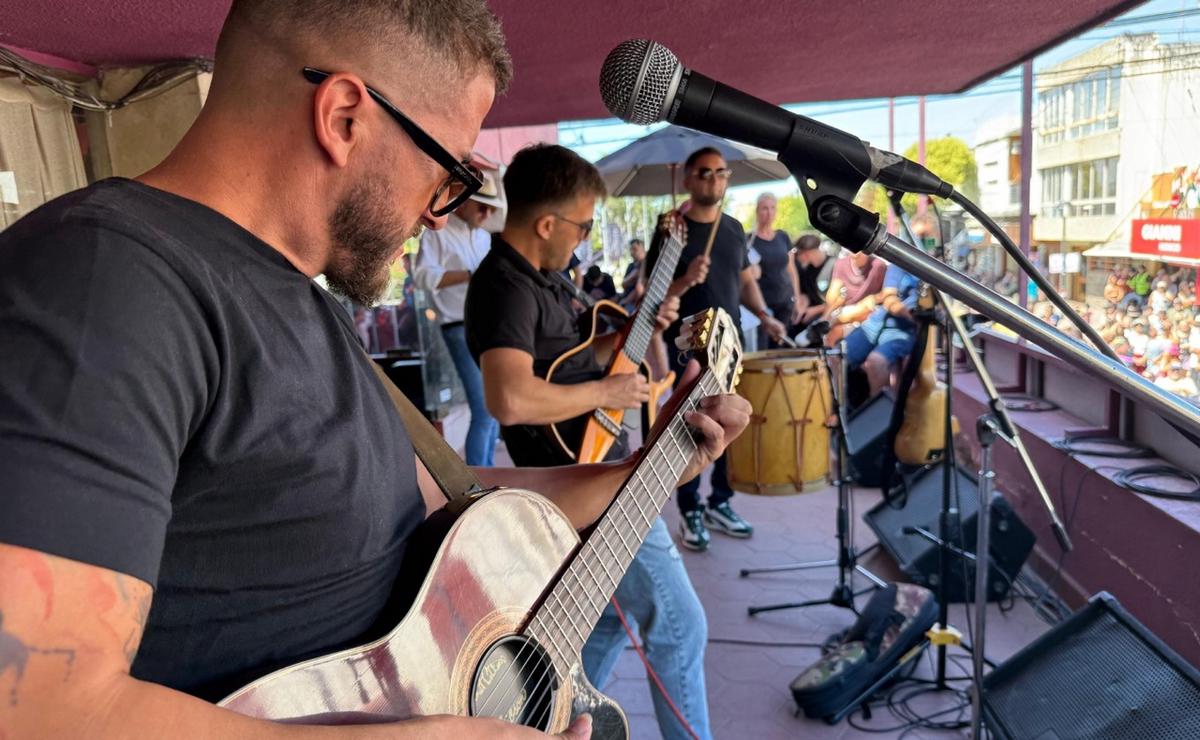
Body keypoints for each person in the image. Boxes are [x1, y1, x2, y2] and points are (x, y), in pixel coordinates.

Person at [0, 4, 754, 739]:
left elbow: (448, 498)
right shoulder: (105, 280)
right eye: (447, 169)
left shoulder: (307, 301)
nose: (440, 211)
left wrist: (655, 467)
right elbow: (35, 708)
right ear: (344, 119)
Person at [465, 144, 710, 740]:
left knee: (596, 624)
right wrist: (606, 394)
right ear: (546, 224)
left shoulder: (547, 282)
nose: (583, 238)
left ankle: (549, 723)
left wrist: (635, 332)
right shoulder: (505, 288)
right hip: (584, 482)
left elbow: (574, 362)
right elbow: (510, 397)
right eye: (581, 225)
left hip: (594, 475)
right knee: (680, 627)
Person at [646, 146, 786, 552]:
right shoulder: (672, 230)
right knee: (689, 429)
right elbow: (654, 295)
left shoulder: (732, 228)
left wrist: (765, 313)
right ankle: (689, 508)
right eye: (704, 173)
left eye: (720, 173)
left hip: (730, 344)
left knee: (728, 424)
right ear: (688, 178)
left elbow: (744, 279)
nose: (714, 180)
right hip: (686, 344)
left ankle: (719, 502)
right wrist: (687, 279)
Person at [414, 169, 503, 465]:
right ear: (463, 202)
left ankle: (485, 475)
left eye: (491, 207)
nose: (487, 212)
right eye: (482, 205)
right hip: (457, 325)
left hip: (484, 325)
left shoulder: (483, 237)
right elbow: (423, 276)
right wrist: (470, 276)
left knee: (493, 408)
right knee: (484, 408)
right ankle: (481, 479)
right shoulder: (438, 232)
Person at [845, 262, 922, 398]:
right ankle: (836, 409)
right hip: (876, 323)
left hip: (905, 332)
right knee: (836, 356)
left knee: (875, 362)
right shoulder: (900, 262)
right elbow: (889, 298)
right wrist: (907, 312)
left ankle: (878, 414)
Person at [748, 193, 803, 347]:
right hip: (763, 305)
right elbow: (748, 275)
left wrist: (797, 299)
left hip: (785, 302)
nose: (769, 212)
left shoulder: (782, 236)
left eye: (773, 208)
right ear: (757, 211)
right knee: (764, 349)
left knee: (783, 347)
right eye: (765, 208)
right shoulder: (749, 240)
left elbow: (791, 270)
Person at [822, 250, 888, 344]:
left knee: (836, 330)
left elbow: (885, 293)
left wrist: (868, 302)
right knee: (829, 332)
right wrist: (826, 316)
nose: (856, 251)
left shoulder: (878, 265)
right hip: (842, 311)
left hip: (867, 314)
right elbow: (833, 294)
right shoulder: (841, 264)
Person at [793, 234, 835, 330]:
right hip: (808, 311)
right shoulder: (806, 269)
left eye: (798, 254)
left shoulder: (834, 266)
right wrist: (801, 304)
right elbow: (806, 293)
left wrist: (814, 311)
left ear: (806, 254)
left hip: (827, 314)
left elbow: (838, 300)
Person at [620, 237, 647, 308]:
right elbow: (623, 285)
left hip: (637, 304)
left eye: (635, 249)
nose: (632, 253)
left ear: (642, 248)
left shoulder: (648, 265)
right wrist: (632, 276)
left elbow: (639, 289)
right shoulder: (631, 266)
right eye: (631, 250)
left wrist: (625, 301)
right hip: (627, 300)